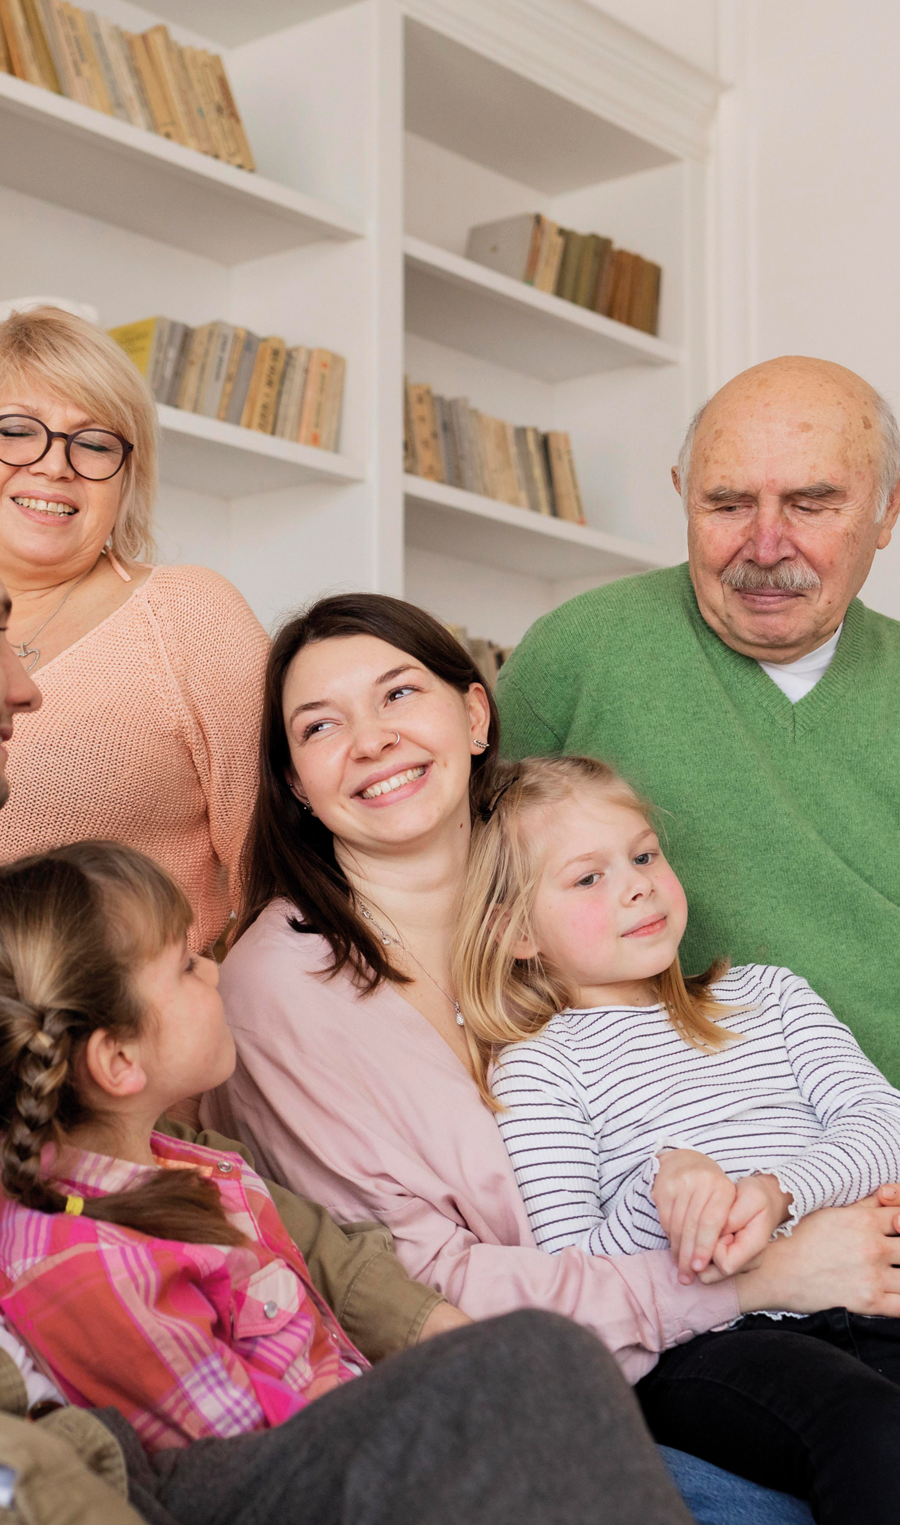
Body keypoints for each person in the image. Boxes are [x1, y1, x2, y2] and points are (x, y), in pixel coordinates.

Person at [0, 450, 693, 1525]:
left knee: (531, 1375)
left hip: (153, 1446)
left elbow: (197, 1175)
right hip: (40, 1479)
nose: (28, 682)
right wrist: (59, 1499)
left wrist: (433, 1335)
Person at [203, 591, 900, 1523]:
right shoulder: (279, 994)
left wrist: (789, 1201)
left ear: (476, 712)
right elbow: (416, 1294)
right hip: (553, 1380)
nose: (370, 740)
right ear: (294, 781)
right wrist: (756, 1274)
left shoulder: (585, 923)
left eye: (399, 695)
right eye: (322, 725)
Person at [460, 752, 900, 1523]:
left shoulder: (769, 994)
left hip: (869, 1286)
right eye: (587, 877)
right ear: (517, 930)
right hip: (715, 1344)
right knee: (869, 1430)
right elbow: (575, 1275)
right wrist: (664, 1188)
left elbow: (883, 1121)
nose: (636, 883)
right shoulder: (538, 1069)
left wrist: (774, 1192)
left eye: (642, 855)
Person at [495, 355, 900, 1082]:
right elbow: (470, 908)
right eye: (727, 504)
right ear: (683, 496)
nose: (767, 545)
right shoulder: (576, 651)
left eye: (812, 505)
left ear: (887, 511)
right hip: (659, 1136)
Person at [0, 840, 373, 1448]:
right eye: (185, 964)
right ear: (119, 1059)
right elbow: (279, 1462)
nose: (212, 968)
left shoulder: (159, 1161)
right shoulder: (105, 1275)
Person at [0, 306, 268, 953]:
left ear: (129, 473)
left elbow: (280, 887)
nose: (56, 465)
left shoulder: (191, 617)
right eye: (18, 431)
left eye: (96, 443)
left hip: (124, 1040)